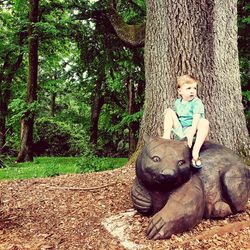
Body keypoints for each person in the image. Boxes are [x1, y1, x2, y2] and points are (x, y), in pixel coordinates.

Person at [162, 75, 209, 168]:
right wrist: (169, 114)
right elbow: (177, 117)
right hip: (181, 130)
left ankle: (195, 153)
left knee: (204, 122)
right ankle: (166, 137)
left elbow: (196, 119)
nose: (192, 91)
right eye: (188, 88)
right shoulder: (177, 102)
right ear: (180, 91)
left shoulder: (196, 102)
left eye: (194, 88)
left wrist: (191, 133)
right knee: (169, 111)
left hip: (193, 130)